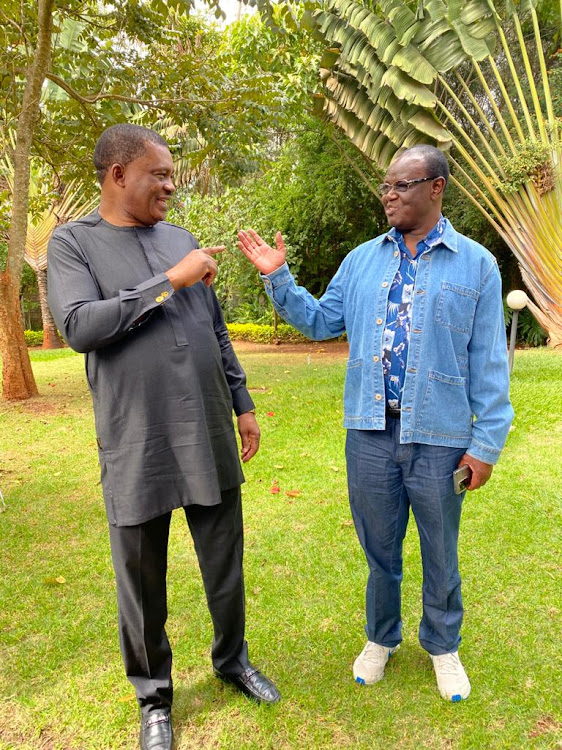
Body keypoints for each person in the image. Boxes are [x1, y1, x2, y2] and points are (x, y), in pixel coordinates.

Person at [238, 144, 514, 703]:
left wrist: (485, 445)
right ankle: (381, 638)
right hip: (368, 433)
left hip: (439, 438)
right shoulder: (363, 259)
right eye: (386, 186)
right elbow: (320, 321)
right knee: (380, 550)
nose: (389, 194)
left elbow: (489, 364)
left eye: (402, 185)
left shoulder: (477, 265)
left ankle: (443, 645)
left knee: (441, 549)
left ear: (436, 187)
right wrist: (279, 279)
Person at [47, 124, 280, 750]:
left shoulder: (180, 238)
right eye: (160, 174)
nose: (172, 186)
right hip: (137, 439)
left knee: (224, 565)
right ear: (119, 174)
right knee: (142, 580)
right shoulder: (74, 244)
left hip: (205, 426)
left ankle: (232, 661)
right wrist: (169, 281)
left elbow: (216, 328)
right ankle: (155, 698)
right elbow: (79, 326)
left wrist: (242, 402)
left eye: (172, 174)